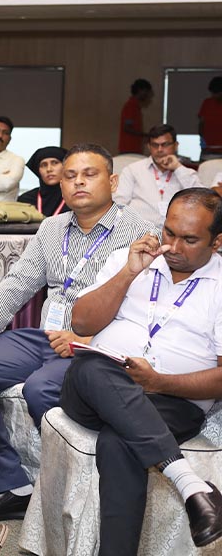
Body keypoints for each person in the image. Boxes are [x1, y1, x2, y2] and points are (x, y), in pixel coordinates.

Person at [0, 144, 157, 522]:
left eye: (90, 174)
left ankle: (69, 492)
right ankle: (10, 485)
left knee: (41, 389)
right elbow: (17, 284)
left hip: (96, 343)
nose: (78, 182)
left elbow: (146, 309)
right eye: (70, 176)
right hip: (45, 336)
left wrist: (90, 341)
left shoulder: (141, 232)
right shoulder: (52, 227)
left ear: (113, 181)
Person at [66, 188, 222, 554]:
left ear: (217, 242)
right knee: (91, 366)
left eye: (189, 239)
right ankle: (191, 486)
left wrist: (158, 381)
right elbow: (82, 320)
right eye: (169, 232)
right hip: (94, 390)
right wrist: (127, 274)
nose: (174, 247)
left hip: (174, 400)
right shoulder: (131, 258)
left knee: (118, 442)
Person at [114, 124, 203, 225]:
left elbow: (203, 200)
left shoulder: (186, 173)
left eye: (165, 145)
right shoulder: (133, 170)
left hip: (176, 234)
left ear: (176, 145)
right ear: (149, 146)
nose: (159, 150)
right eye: (155, 145)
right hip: (140, 232)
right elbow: (119, 204)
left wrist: (177, 168)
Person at [17, 146, 71, 217]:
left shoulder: (74, 198)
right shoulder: (25, 201)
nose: (49, 169)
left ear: (65, 167)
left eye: (54, 163)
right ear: (38, 171)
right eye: (44, 165)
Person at [119, 78, 153, 154]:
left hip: (134, 149)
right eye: (146, 92)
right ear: (139, 90)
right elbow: (127, 128)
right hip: (129, 149)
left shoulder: (136, 107)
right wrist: (146, 135)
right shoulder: (131, 106)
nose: (147, 95)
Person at [199, 76, 222, 160]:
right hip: (207, 150)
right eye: (213, 93)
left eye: (217, 93)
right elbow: (201, 123)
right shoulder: (207, 103)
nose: (214, 95)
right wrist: (202, 143)